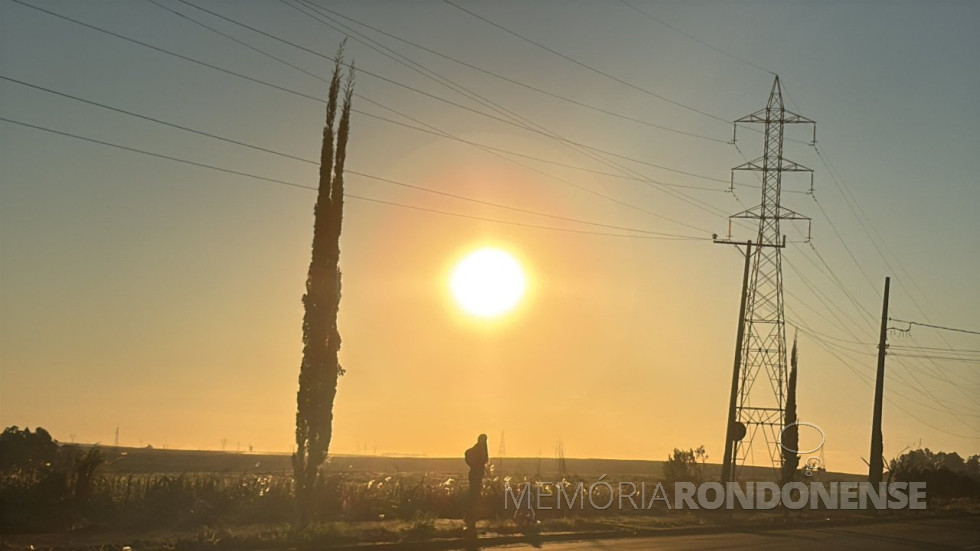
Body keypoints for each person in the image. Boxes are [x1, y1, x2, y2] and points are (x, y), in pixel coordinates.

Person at [464, 433, 488, 530]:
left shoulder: (482, 449)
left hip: (477, 474)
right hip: (475, 474)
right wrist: (473, 465)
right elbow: (467, 454)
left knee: (476, 495)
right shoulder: (476, 449)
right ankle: (470, 517)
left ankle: (472, 517)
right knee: (474, 496)